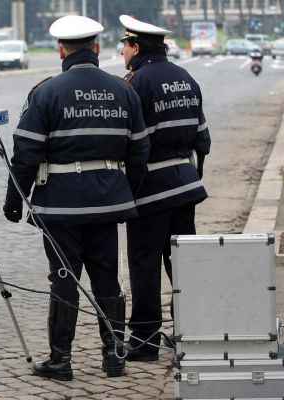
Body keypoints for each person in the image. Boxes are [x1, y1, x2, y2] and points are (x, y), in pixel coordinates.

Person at [3, 15, 150, 380]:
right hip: (107, 203)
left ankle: (60, 360)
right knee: (107, 279)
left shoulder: (47, 92)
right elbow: (140, 150)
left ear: (60, 50)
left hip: (60, 205)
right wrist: (125, 189)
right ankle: (115, 357)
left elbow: (26, 153)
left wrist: (15, 198)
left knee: (65, 278)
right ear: (97, 48)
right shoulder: (123, 90)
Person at [118, 15, 211, 361]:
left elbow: (132, 144)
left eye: (125, 46)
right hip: (186, 187)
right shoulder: (186, 79)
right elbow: (203, 139)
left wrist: (129, 186)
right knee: (183, 265)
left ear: (136, 47)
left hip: (150, 192)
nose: (123, 52)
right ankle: (193, 333)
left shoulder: (135, 83)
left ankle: (144, 342)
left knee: (145, 265)